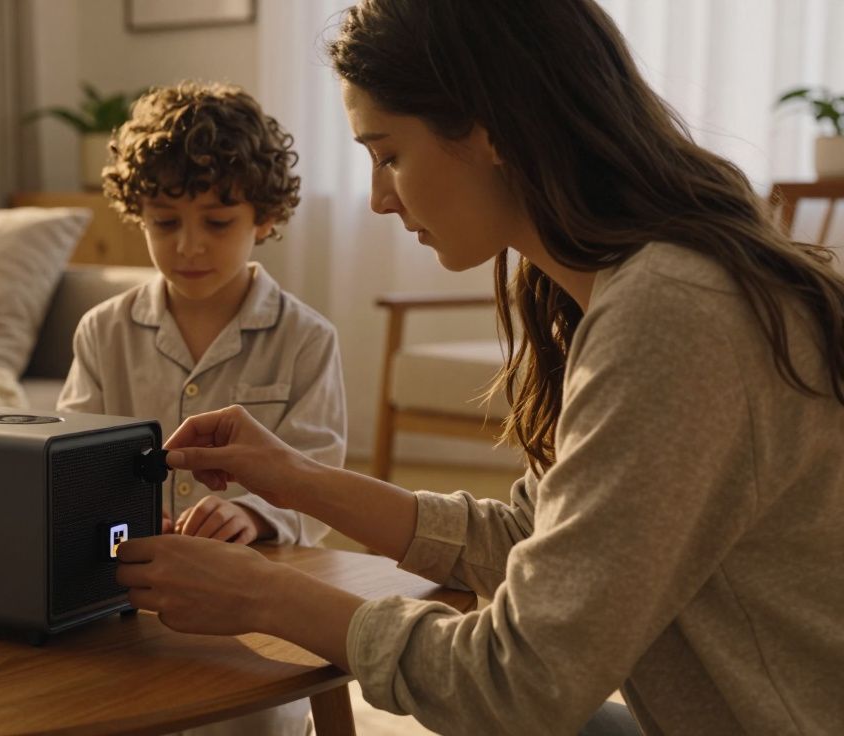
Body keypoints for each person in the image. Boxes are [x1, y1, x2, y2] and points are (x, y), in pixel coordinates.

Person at [113, 1, 844, 734]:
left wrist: (265, 598)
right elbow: (533, 535)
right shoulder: (635, 286)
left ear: (489, 129)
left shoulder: (673, 314)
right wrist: (296, 477)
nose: (379, 198)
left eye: (388, 155)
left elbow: (518, 683)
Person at [57, 81, 348, 735]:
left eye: (217, 223)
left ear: (263, 219)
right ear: (137, 214)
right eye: (165, 223)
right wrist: (123, 514)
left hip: (254, 605)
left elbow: (321, 480)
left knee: (250, 721)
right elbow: (70, 467)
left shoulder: (307, 340)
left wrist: (251, 512)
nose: (189, 246)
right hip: (128, 597)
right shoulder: (102, 331)